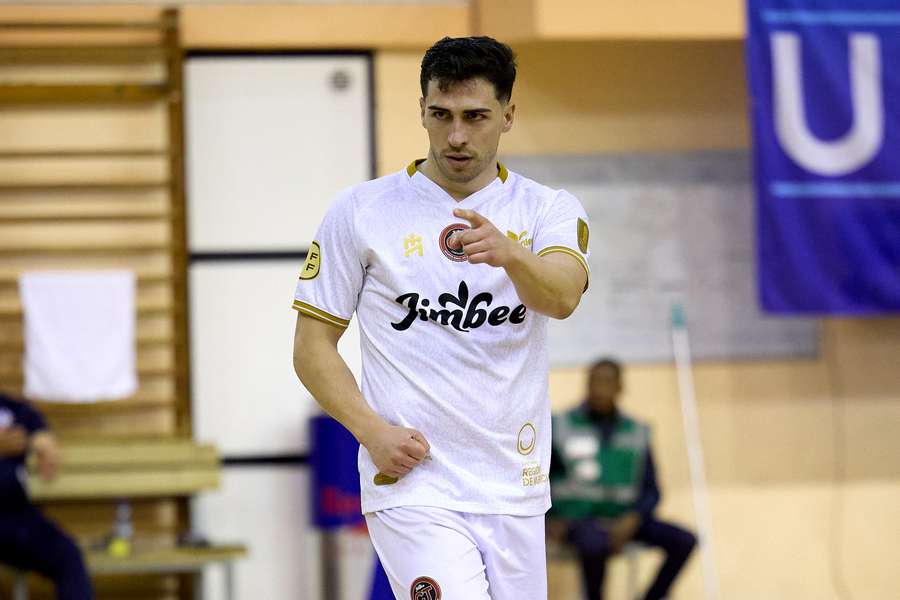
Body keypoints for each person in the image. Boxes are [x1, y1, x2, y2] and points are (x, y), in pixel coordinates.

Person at [292, 36, 590, 600]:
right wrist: (371, 431)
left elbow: (563, 296)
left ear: (508, 115)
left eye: (476, 117)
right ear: (422, 111)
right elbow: (311, 348)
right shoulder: (361, 211)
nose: (456, 136)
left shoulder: (547, 210)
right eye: (441, 115)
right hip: (414, 486)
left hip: (515, 485)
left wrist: (512, 254)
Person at [548, 359, 696, 600]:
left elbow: (652, 491)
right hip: (577, 520)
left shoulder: (636, 431)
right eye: (593, 381)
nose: (598, 389)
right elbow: (538, 479)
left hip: (624, 519)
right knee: (594, 543)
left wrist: (634, 517)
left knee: (684, 540)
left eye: (606, 382)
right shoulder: (560, 425)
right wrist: (548, 517)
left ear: (619, 387)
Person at [0, 392, 93, 600]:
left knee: (68, 556)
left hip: (16, 517)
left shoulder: (9, 409)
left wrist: (43, 439)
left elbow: (33, 424)